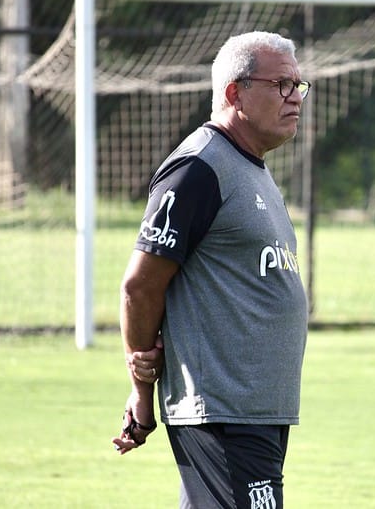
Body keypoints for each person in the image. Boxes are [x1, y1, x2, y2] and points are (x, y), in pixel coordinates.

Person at [111, 31, 310, 508]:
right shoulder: (198, 169)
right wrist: (141, 389)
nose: (295, 98)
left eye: (299, 86)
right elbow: (140, 286)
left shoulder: (253, 168)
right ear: (235, 92)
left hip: (256, 410)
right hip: (222, 410)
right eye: (282, 85)